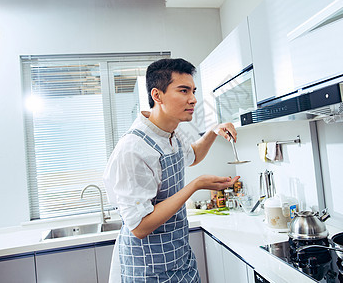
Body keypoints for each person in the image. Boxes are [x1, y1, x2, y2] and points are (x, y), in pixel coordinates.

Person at [103, 58, 240, 282]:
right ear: (157, 95)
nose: (193, 99)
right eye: (184, 90)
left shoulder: (169, 133)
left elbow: (193, 155)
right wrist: (195, 185)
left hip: (179, 258)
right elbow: (139, 226)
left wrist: (214, 131)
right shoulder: (133, 149)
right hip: (148, 268)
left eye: (193, 91)